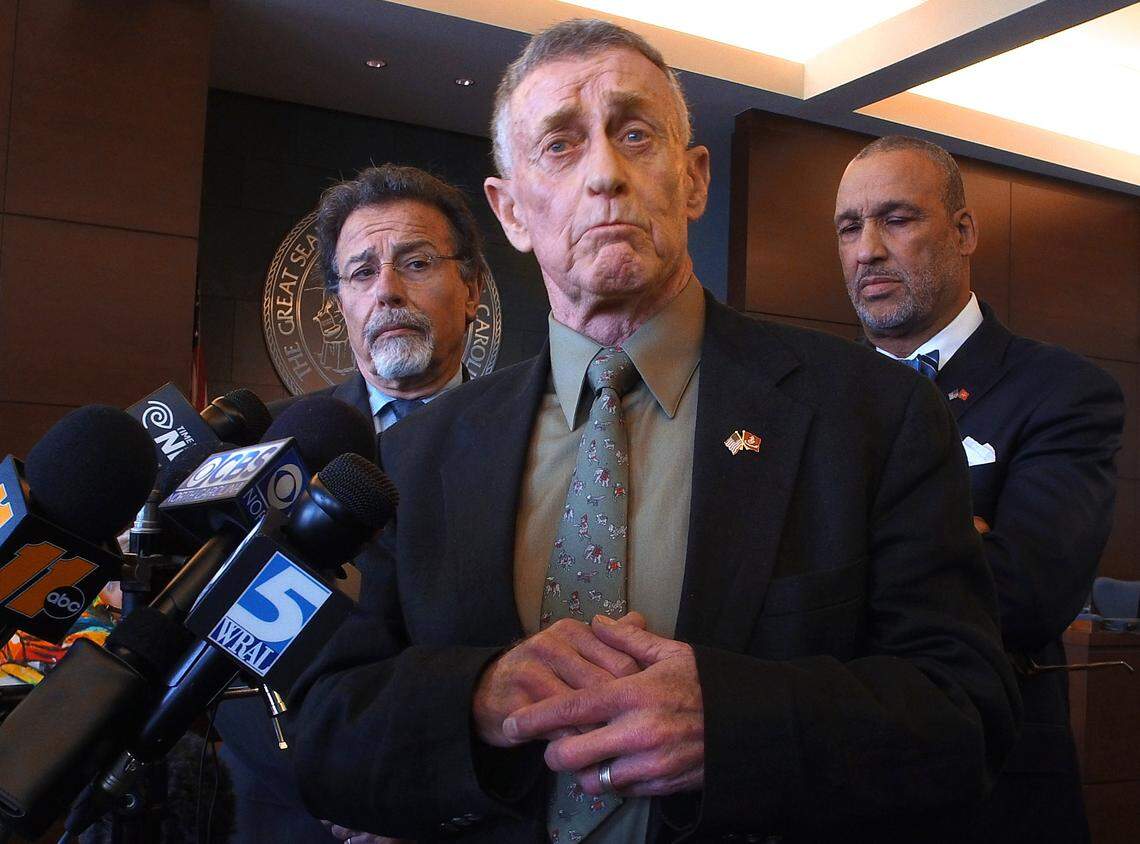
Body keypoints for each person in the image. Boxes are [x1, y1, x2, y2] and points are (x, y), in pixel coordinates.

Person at [289, 20, 1020, 843]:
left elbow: (967, 715)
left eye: (635, 134)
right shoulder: (416, 456)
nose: (605, 172)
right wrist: (476, 701)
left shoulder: (870, 414)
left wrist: (736, 724)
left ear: (694, 179)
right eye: (560, 146)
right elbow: (325, 733)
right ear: (511, 211)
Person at [834, 134, 1124, 842]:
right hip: (834, 789)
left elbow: (1024, 595)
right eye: (849, 226)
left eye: (896, 219)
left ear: (963, 232)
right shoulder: (809, 400)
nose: (867, 248)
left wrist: (837, 560)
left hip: (991, 799)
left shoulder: (1062, 391)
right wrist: (956, 538)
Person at [216, 164, 488, 844]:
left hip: (464, 812)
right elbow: (227, 654)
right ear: (341, 303)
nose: (388, 290)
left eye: (416, 263)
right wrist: (337, 783)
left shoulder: (540, 441)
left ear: (472, 289)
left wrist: (415, 792)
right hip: (291, 812)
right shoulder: (269, 444)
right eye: (362, 273)